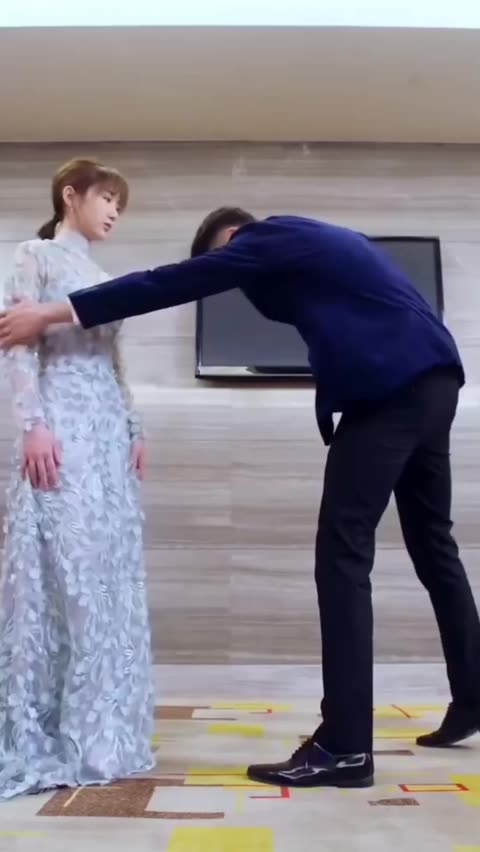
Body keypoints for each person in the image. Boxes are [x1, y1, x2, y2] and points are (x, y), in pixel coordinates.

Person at [1, 208, 479, 790]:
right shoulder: (321, 239)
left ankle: (345, 746)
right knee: (434, 546)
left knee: (343, 556)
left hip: (389, 392)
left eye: (223, 263)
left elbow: (164, 282)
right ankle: (473, 695)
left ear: (229, 240)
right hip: (435, 380)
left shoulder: (262, 238)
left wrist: (50, 312)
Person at [0, 158, 154, 800]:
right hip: (60, 426)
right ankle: (50, 731)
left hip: (106, 434)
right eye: (107, 197)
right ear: (72, 195)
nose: (114, 210)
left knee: (108, 573)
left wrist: (134, 427)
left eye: (120, 202)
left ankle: (103, 733)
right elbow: (16, 345)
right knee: (67, 572)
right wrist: (32, 426)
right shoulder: (33, 256)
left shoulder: (105, 279)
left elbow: (115, 360)